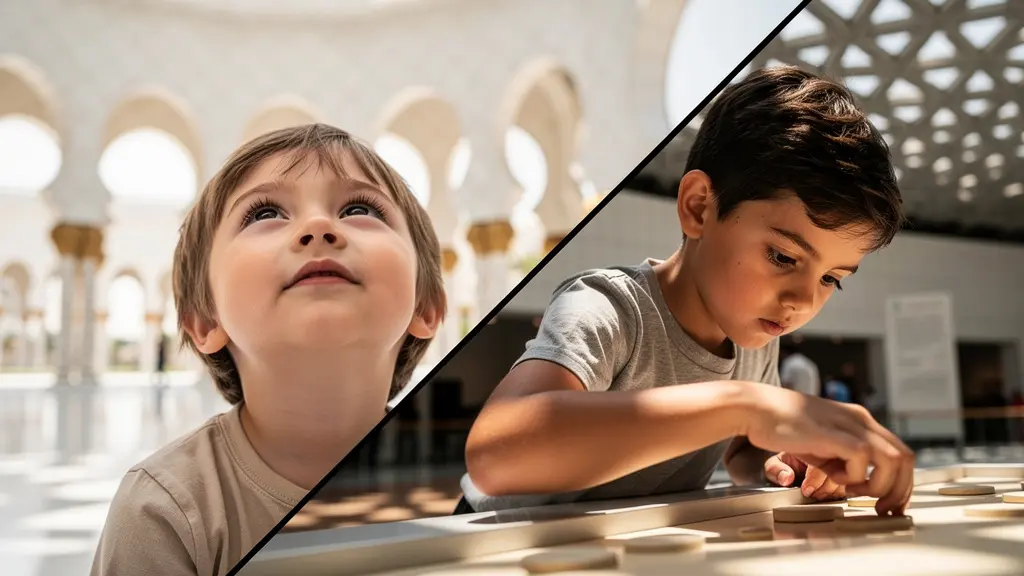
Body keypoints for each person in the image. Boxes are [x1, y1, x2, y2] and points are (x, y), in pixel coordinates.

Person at [459, 66, 914, 519]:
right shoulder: (606, 308)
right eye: (782, 257)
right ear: (698, 207)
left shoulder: (755, 338)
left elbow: (740, 450)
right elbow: (495, 458)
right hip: (485, 544)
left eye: (831, 278)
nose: (803, 301)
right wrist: (747, 406)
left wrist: (782, 464)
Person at [91, 124, 447, 576]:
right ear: (205, 319)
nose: (318, 226)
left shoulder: (469, 476)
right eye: (264, 214)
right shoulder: (166, 510)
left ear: (426, 305)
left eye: (359, 208)